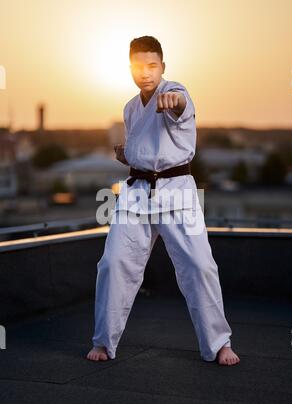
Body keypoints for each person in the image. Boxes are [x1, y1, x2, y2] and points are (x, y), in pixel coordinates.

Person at [87, 36, 240, 366]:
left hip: (177, 192)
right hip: (137, 193)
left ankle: (219, 344)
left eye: (153, 65)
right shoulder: (130, 107)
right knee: (113, 264)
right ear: (130, 68)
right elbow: (148, 148)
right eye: (139, 66)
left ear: (163, 67)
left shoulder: (176, 92)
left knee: (199, 266)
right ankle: (103, 341)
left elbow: (180, 110)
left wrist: (175, 102)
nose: (146, 73)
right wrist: (126, 154)